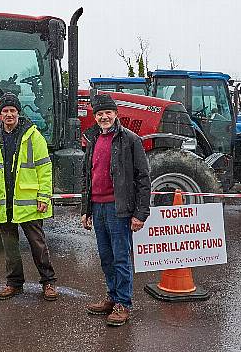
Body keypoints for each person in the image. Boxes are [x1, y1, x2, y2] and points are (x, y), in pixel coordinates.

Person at [0, 92, 58, 301]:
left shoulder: (33, 136)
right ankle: (14, 283)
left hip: (28, 201)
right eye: (5, 111)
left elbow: (44, 168)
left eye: (12, 110)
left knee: (37, 244)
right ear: (0, 114)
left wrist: (43, 196)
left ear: (18, 112)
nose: (9, 114)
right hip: (3, 200)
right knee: (10, 246)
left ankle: (48, 282)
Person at [81, 93, 151, 326]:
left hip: (118, 209)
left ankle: (123, 303)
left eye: (107, 113)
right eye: (99, 114)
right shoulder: (93, 141)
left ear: (115, 114)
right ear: (95, 116)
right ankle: (112, 296)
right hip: (98, 207)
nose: (104, 117)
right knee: (106, 257)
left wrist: (140, 214)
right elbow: (87, 177)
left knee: (121, 258)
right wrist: (86, 210)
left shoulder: (131, 140)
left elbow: (143, 179)